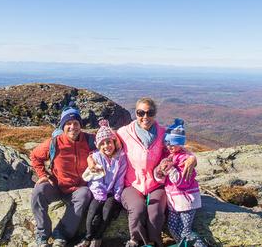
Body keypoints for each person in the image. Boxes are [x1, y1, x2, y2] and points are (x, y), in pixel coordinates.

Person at [88, 97, 197, 247]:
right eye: (140, 113)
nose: (145, 117)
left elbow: (177, 147)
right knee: (137, 209)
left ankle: (154, 242)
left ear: (154, 114)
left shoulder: (162, 133)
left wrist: (192, 157)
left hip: (156, 183)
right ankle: (136, 241)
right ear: (136, 113)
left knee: (156, 213)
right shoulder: (124, 132)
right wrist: (90, 159)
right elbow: (103, 144)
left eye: (149, 113)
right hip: (131, 184)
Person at [30, 103, 93, 247]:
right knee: (38, 192)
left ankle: (61, 234)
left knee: (85, 194)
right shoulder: (54, 143)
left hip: (79, 188)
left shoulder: (89, 140)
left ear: (80, 124)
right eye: (68, 123)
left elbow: (110, 144)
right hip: (57, 186)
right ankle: (42, 235)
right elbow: (34, 156)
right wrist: (42, 175)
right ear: (62, 126)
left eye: (76, 123)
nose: (72, 127)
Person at [154, 118, 206, 247]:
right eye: (167, 143)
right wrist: (160, 171)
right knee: (172, 228)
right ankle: (183, 245)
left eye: (173, 143)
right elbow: (161, 179)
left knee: (186, 231)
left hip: (186, 202)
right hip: (174, 202)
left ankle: (200, 245)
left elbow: (182, 183)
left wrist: (171, 168)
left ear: (180, 143)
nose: (170, 146)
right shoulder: (169, 156)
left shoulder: (185, 159)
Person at [76, 119, 127, 247]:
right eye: (102, 144)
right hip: (98, 192)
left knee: (107, 210)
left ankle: (97, 238)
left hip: (112, 193)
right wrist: (100, 196)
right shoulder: (97, 157)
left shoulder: (121, 158)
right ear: (99, 146)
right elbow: (95, 180)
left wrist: (116, 196)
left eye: (109, 142)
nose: (106, 146)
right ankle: (87, 237)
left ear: (114, 142)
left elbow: (120, 179)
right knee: (93, 212)